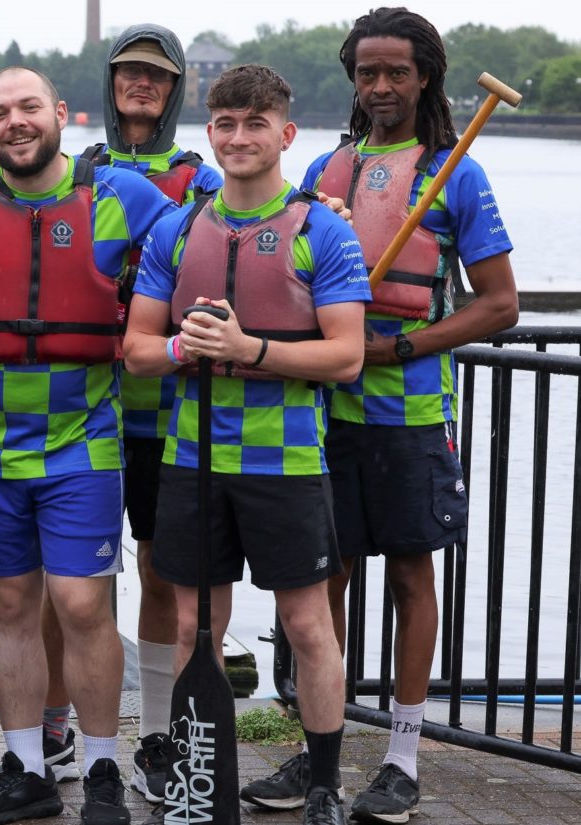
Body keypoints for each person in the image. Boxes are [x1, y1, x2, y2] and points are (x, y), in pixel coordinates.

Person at [0, 66, 178, 825]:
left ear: (59, 113)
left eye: (26, 108)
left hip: (85, 442)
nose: (13, 122)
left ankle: (103, 764)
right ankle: (24, 765)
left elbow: (207, 247)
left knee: (82, 602)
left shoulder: (121, 196)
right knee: (10, 600)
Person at [264, 9, 516, 823]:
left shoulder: (458, 172)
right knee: (321, 578)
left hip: (409, 413)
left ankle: (403, 759)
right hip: (323, 410)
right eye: (367, 72)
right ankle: (321, 747)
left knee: (410, 573)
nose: (380, 87)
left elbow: (501, 305)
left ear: (425, 77)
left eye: (396, 73)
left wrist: (400, 349)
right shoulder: (324, 170)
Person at [123, 64, 371, 825]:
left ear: (285, 134)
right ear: (210, 133)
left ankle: (324, 785)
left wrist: (248, 347)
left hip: (287, 463)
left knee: (307, 625)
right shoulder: (177, 226)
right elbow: (136, 346)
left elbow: (346, 356)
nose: (238, 137)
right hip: (191, 462)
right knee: (195, 625)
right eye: (225, 124)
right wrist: (181, 351)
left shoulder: (322, 229)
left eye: (254, 124)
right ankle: (202, 777)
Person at [37, 25, 226, 801]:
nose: (140, 85)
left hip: (169, 414)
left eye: (155, 75)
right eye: (128, 74)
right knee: (69, 582)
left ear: (175, 88)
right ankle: (54, 729)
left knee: (157, 571)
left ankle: (156, 736)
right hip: (82, 415)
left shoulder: (203, 180)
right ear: (110, 85)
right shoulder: (72, 173)